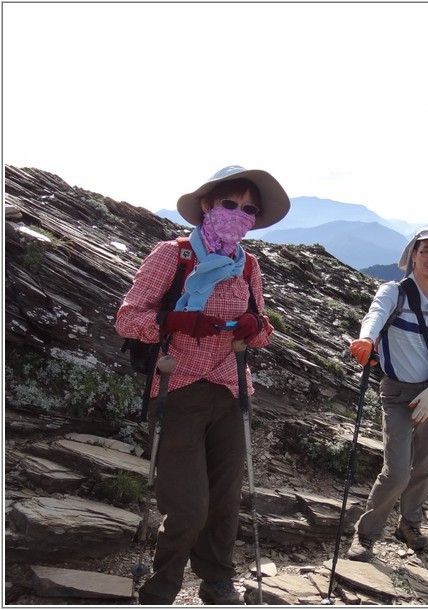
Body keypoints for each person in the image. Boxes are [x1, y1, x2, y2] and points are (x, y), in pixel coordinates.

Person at [116, 165, 289, 605]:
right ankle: (160, 589)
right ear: (208, 205)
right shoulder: (171, 256)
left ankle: (217, 582)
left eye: (248, 208)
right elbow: (127, 318)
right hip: (178, 389)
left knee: (226, 500)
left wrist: (254, 327)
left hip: (231, 390)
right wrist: (175, 320)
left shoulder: (247, 264)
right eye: (230, 203)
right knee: (189, 507)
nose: (238, 213)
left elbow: (263, 331)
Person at [347, 227, 428, 562]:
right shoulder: (393, 292)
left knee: (424, 466)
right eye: (426, 250)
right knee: (397, 471)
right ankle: (366, 534)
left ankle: (409, 526)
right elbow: (375, 315)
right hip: (397, 394)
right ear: (413, 253)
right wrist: (366, 339)